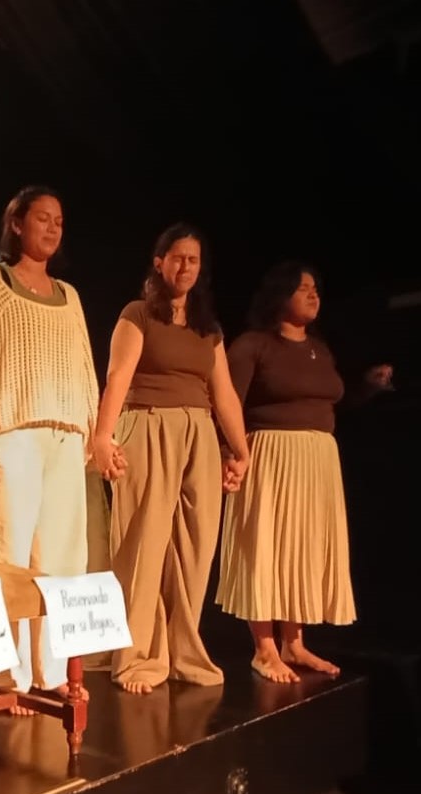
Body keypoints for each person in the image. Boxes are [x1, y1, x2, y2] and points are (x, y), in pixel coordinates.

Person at [0, 186, 101, 701]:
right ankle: (7, 675)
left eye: (59, 221)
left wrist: (95, 430)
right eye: (42, 218)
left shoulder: (69, 295)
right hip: (11, 435)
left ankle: (53, 671)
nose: (52, 227)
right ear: (17, 224)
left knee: (63, 557)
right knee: (8, 554)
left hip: (64, 437)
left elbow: (85, 368)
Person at [91, 223, 251, 694]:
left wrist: (240, 451)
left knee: (195, 546)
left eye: (193, 260)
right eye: (177, 257)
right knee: (143, 544)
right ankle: (137, 656)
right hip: (148, 425)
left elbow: (224, 393)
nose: (185, 266)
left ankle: (182, 651)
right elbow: (118, 375)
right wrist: (102, 437)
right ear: (159, 263)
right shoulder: (138, 313)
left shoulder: (208, 328)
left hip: (198, 432)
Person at [214, 261, 392, 683]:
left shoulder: (319, 348)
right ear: (280, 295)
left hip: (316, 461)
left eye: (315, 288)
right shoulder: (253, 345)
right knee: (265, 547)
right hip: (270, 456)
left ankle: (293, 643)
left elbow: (329, 405)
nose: (314, 295)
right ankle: (264, 649)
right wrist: (228, 455)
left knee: (301, 549)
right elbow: (226, 405)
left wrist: (368, 387)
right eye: (302, 288)